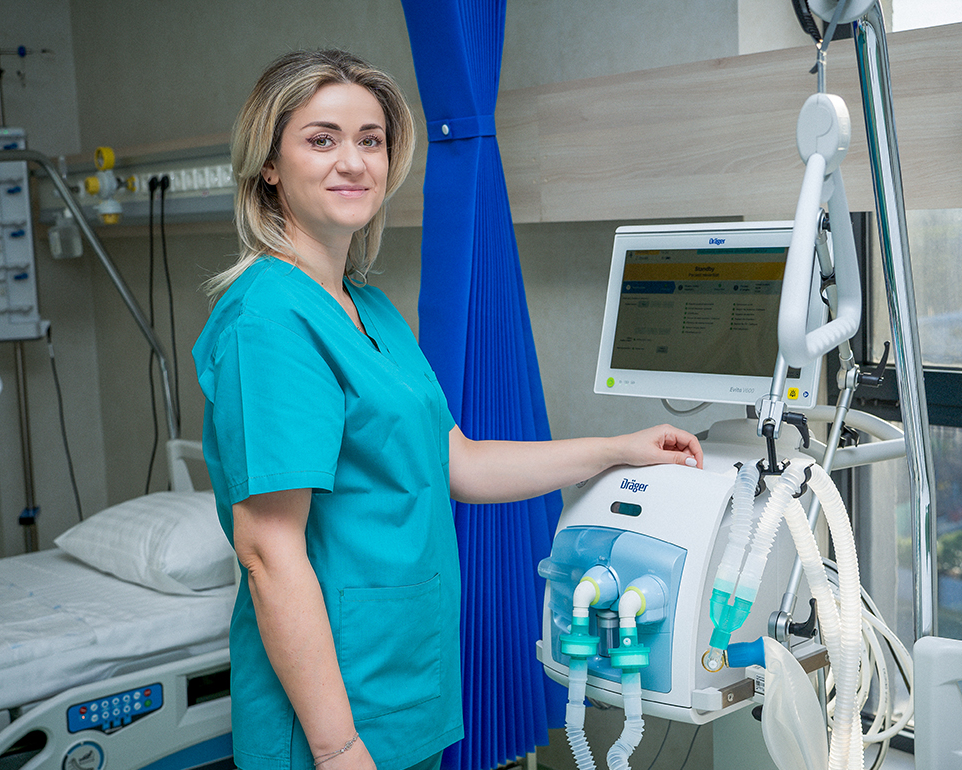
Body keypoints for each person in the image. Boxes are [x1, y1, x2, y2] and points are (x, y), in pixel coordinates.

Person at [193, 49, 703, 770]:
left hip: (403, 681)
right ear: (269, 165)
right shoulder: (270, 320)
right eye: (321, 139)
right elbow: (268, 553)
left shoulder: (366, 306)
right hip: (331, 715)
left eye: (370, 140)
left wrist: (617, 449)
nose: (353, 162)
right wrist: (337, 749)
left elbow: (457, 461)